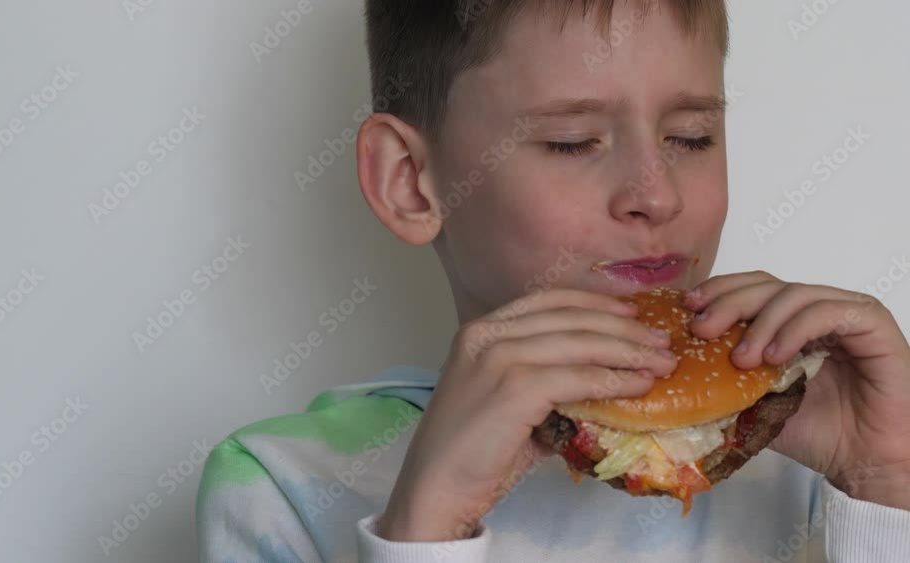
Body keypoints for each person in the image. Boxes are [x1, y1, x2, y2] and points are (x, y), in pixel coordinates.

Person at [196, 1, 910, 561]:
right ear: (409, 181)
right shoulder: (282, 489)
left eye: (690, 136)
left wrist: (886, 488)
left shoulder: (821, 473)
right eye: (572, 143)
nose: (655, 195)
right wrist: (423, 536)